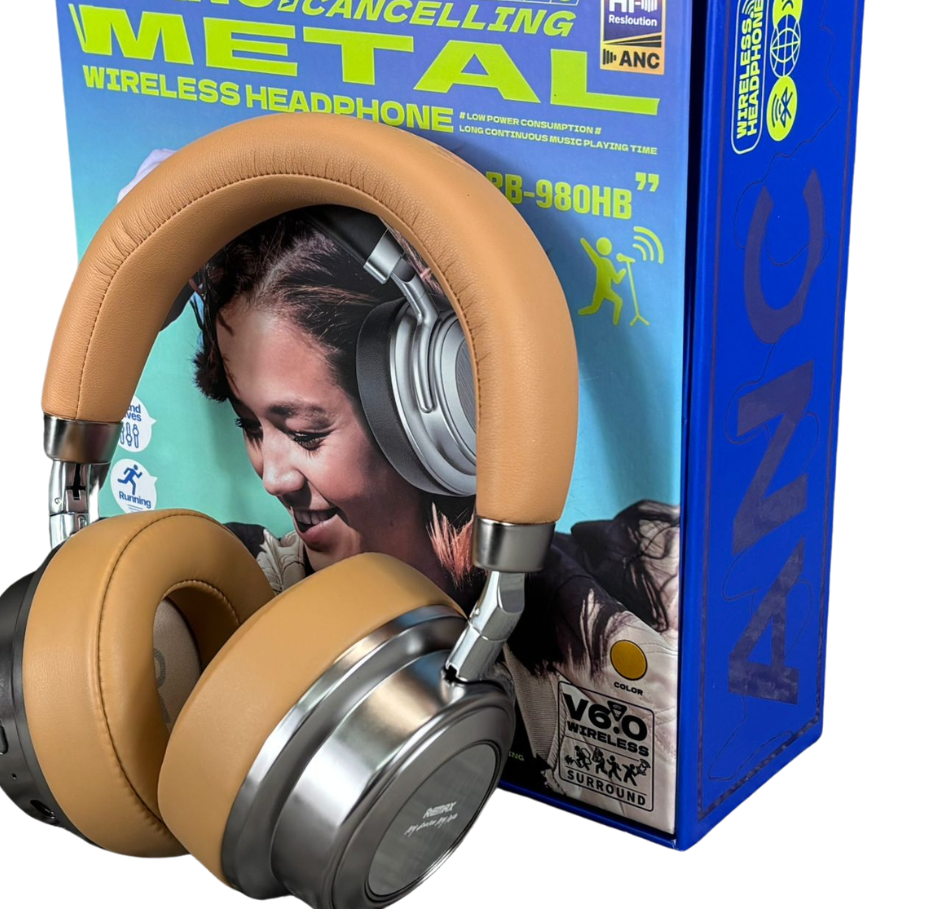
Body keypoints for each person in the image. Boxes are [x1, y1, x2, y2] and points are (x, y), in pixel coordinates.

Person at [191, 208, 682, 831]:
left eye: (307, 433)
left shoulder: (651, 586)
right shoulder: (226, 590)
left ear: (436, 420)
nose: (273, 476)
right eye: (250, 426)